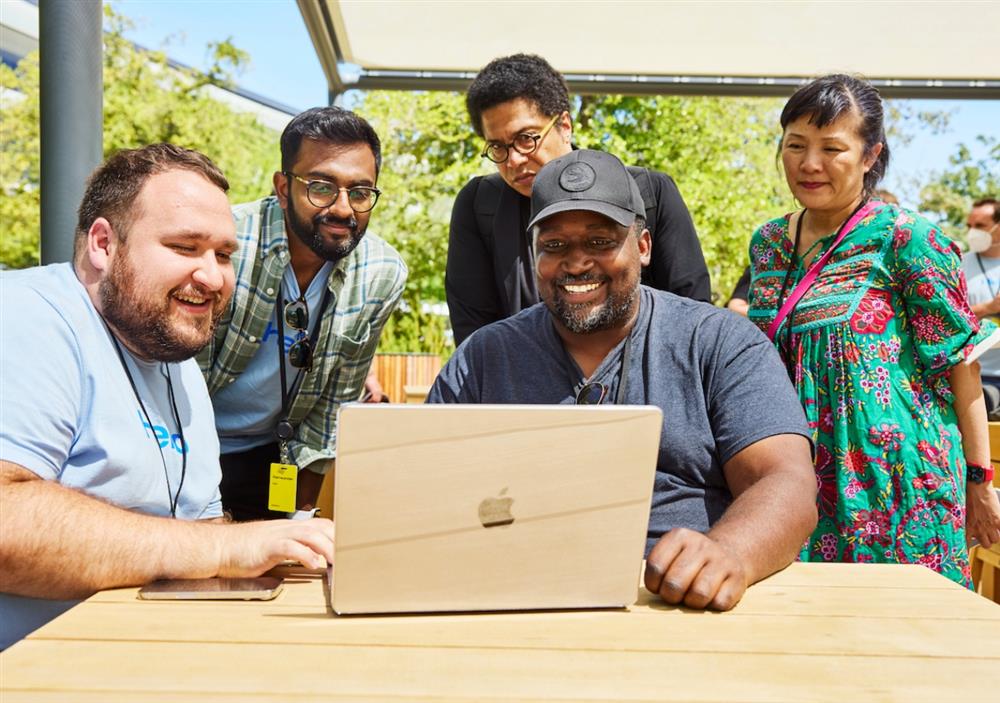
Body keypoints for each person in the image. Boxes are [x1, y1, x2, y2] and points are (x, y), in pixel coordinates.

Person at [429, 149, 818, 611]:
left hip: (677, 602)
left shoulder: (719, 342)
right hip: (513, 598)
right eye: (554, 246)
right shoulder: (484, 357)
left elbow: (787, 482)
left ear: (644, 246)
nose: (576, 263)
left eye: (600, 242)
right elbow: (427, 488)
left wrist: (730, 550)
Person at [0, 144, 335, 650]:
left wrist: (277, 551)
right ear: (103, 244)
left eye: (223, 255)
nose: (213, 276)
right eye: (184, 247)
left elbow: (199, 531)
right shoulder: (27, 316)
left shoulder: (181, 370)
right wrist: (225, 547)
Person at [746, 75, 1000, 586]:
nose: (809, 163)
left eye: (831, 148)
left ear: (869, 155)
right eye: (795, 145)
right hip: (796, 481)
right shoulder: (769, 242)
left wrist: (980, 480)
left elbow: (960, 364)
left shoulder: (907, 238)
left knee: (911, 636)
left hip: (897, 483)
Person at [198, 107, 408, 521]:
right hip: (186, 447)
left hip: (278, 456)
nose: (344, 209)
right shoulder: (227, 245)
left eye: (361, 192)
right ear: (282, 187)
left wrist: (298, 516)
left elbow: (333, 407)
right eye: (321, 187)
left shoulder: (382, 273)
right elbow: (178, 383)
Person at [446, 53, 710, 346]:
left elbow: (692, 317)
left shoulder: (650, 193)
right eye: (498, 147)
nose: (515, 160)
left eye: (526, 138)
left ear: (564, 125)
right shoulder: (480, 205)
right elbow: (473, 334)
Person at [960, 198, 1000, 415]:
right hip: (973, 374)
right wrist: (988, 307)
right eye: (970, 226)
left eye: (980, 226)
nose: (972, 232)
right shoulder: (959, 264)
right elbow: (948, 317)